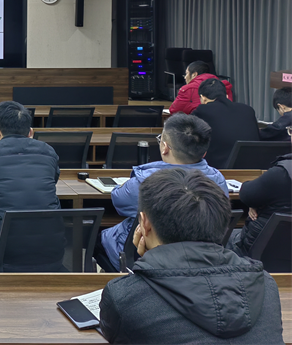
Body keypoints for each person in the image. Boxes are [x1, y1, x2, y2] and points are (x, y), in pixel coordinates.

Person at [99, 168, 284, 345]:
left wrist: (150, 264)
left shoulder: (123, 297)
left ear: (144, 223)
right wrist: (154, 265)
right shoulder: (266, 286)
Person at [95, 113, 228, 273]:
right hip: (202, 259)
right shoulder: (218, 180)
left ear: (165, 147)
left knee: (98, 238)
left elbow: (118, 200)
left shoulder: (145, 180)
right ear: (204, 153)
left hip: (144, 256)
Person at [0, 101, 62, 271]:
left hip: (4, 253)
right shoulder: (49, 151)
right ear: (31, 133)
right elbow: (54, 179)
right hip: (52, 251)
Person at [227, 126, 292, 256]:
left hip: (262, 251)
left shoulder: (280, 174)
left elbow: (246, 194)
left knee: (225, 237)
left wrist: (257, 203)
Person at [193, 78, 260, 168]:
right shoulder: (248, 110)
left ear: (203, 98)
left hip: (219, 168)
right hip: (253, 166)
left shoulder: (202, 111)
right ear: (227, 96)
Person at [168, 60, 233, 115]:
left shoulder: (188, 89)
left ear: (194, 74)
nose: (185, 77)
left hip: (197, 124)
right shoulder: (223, 86)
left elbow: (174, 110)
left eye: (186, 73)